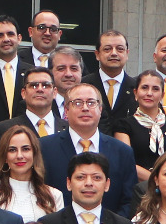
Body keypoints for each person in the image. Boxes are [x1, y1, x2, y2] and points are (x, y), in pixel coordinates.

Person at [41, 84, 137, 214]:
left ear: (100, 109)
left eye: (91, 103)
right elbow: (40, 195)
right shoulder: (44, 148)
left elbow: (129, 201)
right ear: (66, 110)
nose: (85, 108)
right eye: (78, 103)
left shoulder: (122, 151)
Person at [0, 124, 64, 224]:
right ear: (5, 157)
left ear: (34, 154)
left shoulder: (54, 195)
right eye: (12, 150)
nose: (19, 156)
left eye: (25, 149)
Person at [111, 70, 166, 182]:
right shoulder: (123, 126)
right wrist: (157, 181)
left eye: (155, 89)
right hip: (137, 189)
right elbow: (126, 162)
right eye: (144, 88)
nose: (149, 93)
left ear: (162, 95)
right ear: (135, 93)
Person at [0, 67, 65, 152]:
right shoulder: (3, 130)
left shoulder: (69, 128)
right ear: (23, 93)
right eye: (33, 85)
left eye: (45, 85)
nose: (40, 89)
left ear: (55, 92)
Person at [83, 30, 136, 132]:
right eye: (107, 49)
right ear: (97, 54)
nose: (114, 53)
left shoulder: (137, 88)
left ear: (127, 53)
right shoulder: (84, 85)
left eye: (120, 49)